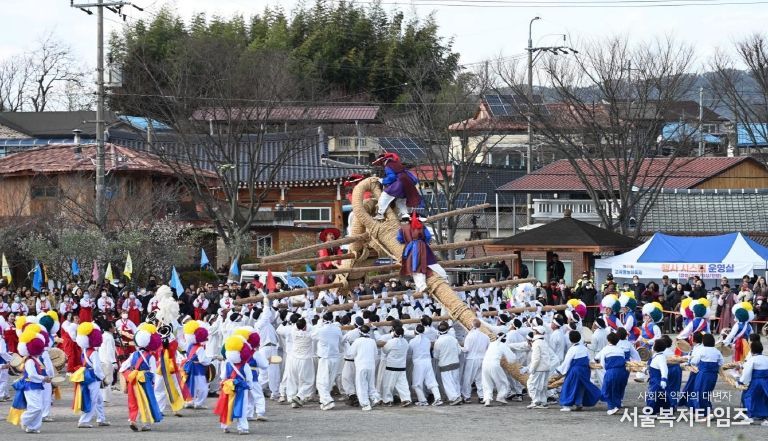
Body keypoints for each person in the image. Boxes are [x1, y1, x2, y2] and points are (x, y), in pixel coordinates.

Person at [120, 324, 163, 432]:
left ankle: (133, 420)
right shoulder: (151, 357)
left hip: (134, 381)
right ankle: (146, 424)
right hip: (145, 382)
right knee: (146, 401)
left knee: (134, 401)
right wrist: (153, 383)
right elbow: (153, 373)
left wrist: (129, 375)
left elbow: (123, 367)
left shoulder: (133, 354)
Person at [72, 322, 108, 428]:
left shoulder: (84, 350)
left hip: (86, 375)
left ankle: (101, 418)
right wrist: (102, 378)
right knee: (93, 398)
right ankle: (83, 420)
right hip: (93, 377)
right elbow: (97, 368)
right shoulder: (94, 353)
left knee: (98, 399)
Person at [214, 335, 253, 435]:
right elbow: (249, 379)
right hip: (241, 389)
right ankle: (242, 428)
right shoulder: (246, 365)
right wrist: (250, 387)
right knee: (242, 408)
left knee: (227, 407)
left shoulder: (227, 363)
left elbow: (223, 376)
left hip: (228, 388)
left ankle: (225, 426)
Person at [556, 330, 601, 412]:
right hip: (585, 370)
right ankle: (579, 403)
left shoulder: (572, 349)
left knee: (569, 386)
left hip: (575, 370)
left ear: (570, 339)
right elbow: (589, 359)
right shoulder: (584, 348)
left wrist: (559, 370)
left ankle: (566, 405)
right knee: (581, 387)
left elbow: (567, 362)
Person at [372, 152, 421, 222]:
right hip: (409, 184)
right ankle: (405, 215)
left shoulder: (388, 166)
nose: (380, 165)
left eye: (380, 163)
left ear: (382, 161)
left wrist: (382, 180)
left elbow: (392, 177)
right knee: (400, 201)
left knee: (385, 195)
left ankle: (380, 214)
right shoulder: (398, 164)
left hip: (400, 183)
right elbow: (412, 176)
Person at [311, 311, 343, 411]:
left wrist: (320, 322)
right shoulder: (337, 329)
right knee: (329, 381)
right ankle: (324, 401)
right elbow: (340, 340)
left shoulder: (321, 330)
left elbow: (312, 335)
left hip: (325, 358)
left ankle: (328, 400)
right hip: (335, 357)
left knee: (321, 382)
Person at [688, 333, 724, 416]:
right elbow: (721, 362)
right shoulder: (717, 351)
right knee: (707, 392)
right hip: (713, 375)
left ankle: (703, 412)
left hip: (703, 374)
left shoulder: (702, 350)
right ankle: (708, 408)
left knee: (699, 392)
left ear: (703, 342)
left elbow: (694, 361)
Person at [409, 324, 443, 406]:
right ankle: (438, 398)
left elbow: (410, 352)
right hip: (428, 362)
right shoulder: (427, 340)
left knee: (417, 383)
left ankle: (422, 400)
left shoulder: (412, 341)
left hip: (418, 363)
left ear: (415, 331)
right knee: (431, 380)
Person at [595, 332, 628, 415]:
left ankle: (611, 408)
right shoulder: (620, 349)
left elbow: (602, 364)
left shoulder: (605, 349)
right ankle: (617, 405)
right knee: (618, 389)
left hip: (611, 372)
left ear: (608, 340)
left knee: (607, 390)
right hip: (622, 371)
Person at [349, 325, 380, 411]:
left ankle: (365, 404)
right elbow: (375, 353)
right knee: (371, 384)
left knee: (361, 385)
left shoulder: (357, 341)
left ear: (360, 332)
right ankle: (375, 398)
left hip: (361, 366)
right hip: (371, 365)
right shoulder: (372, 341)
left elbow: (350, 354)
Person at [183, 320, 211, 409]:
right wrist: (210, 360)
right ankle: (198, 403)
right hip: (198, 369)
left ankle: (189, 401)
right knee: (203, 387)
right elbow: (203, 360)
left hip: (190, 368)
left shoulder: (190, 345)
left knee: (191, 385)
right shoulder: (200, 348)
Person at [481, 332, 515, 407]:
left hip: (485, 364)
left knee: (486, 382)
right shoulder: (503, 345)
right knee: (503, 381)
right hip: (494, 365)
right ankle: (501, 397)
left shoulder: (491, 344)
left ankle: (487, 400)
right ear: (505, 340)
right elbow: (512, 359)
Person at [738, 340, 768, 426]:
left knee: (748, 396)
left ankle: (750, 417)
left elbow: (746, 373)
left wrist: (741, 382)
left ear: (751, 350)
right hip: (766, 382)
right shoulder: (766, 358)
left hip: (756, 382)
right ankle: (765, 418)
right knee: (765, 398)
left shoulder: (752, 360)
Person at [433, 321, 462, 406]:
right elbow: (459, 351)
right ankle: (458, 396)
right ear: (448, 330)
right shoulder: (453, 339)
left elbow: (436, 356)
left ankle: (454, 398)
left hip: (445, 364)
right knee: (456, 381)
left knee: (448, 383)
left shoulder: (438, 342)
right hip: (455, 362)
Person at [525, 326, 555, 409]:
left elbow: (536, 358)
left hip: (539, 368)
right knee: (542, 386)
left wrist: (532, 369)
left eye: (534, 330)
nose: (533, 332)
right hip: (546, 367)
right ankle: (543, 402)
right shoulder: (544, 342)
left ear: (537, 332)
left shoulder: (536, 343)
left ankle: (536, 402)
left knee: (531, 384)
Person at [461, 319, 489, 403]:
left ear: (472, 326)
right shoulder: (485, 336)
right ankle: (482, 396)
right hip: (482, 358)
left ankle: (467, 396)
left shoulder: (470, 336)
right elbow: (488, 348)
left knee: (468, 379)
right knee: (480, 379)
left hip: (472, 359)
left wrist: (458, 347)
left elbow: (466, 349)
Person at [381, 326, 411, 407]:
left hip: (391, 366)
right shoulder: (405, 342)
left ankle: (388, 400)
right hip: (401, 366)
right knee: (403, 384)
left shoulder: (391, 341)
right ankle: (406, 399)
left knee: (388, 384)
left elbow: (384, 350)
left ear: (394, 332)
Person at [646, 340, 670, 414]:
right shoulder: (657, 356)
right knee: (661, 396)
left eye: (653, 345)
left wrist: (663, 380)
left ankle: (650, 413)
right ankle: (666, 411)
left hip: (657, 381)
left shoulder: (660, 357)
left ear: (656, 347)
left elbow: (664, 369)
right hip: (654, 379)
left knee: (652, 397)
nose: (652, 346)